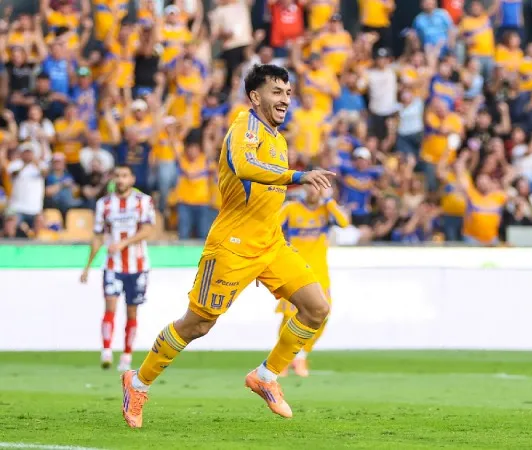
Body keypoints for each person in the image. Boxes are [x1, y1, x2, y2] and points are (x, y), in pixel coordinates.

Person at [119, 64, 336, 428]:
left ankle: (266, 376)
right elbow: (245, 166)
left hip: (271, 244)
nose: (285, 99)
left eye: (287, 92)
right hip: (232, 246)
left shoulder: (279, 139)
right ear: (255, 97)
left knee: (317, 308)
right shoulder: (244, 127)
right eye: (276, 91)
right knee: (198, 324)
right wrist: (297, 176)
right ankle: (137, 383)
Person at [79, 165, 156, 371]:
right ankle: (106, 351)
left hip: (138, 266)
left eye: (124, 176)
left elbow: (148, 230)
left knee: (132, 312)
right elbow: (98, 236)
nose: (120, 180)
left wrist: (123, 243)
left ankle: (127, 355)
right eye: (117, 176)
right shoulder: (104, 204)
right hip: (113, 266)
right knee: (110, 307)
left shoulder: (143, 201)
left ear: (132, 179)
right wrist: (87, 266)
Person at [273, 184, 350, 377]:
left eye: (318, 187)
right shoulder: (291, 208)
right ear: (305, 188)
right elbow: (271, 227)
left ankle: (301, 355)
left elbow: (344, 223)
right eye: (311, 186)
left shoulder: (326, 209)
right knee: (289, 317)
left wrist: (329, 200)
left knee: (323, 315)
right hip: (295, 270)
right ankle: (281, 360)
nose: (314, 190)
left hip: (319, 274)